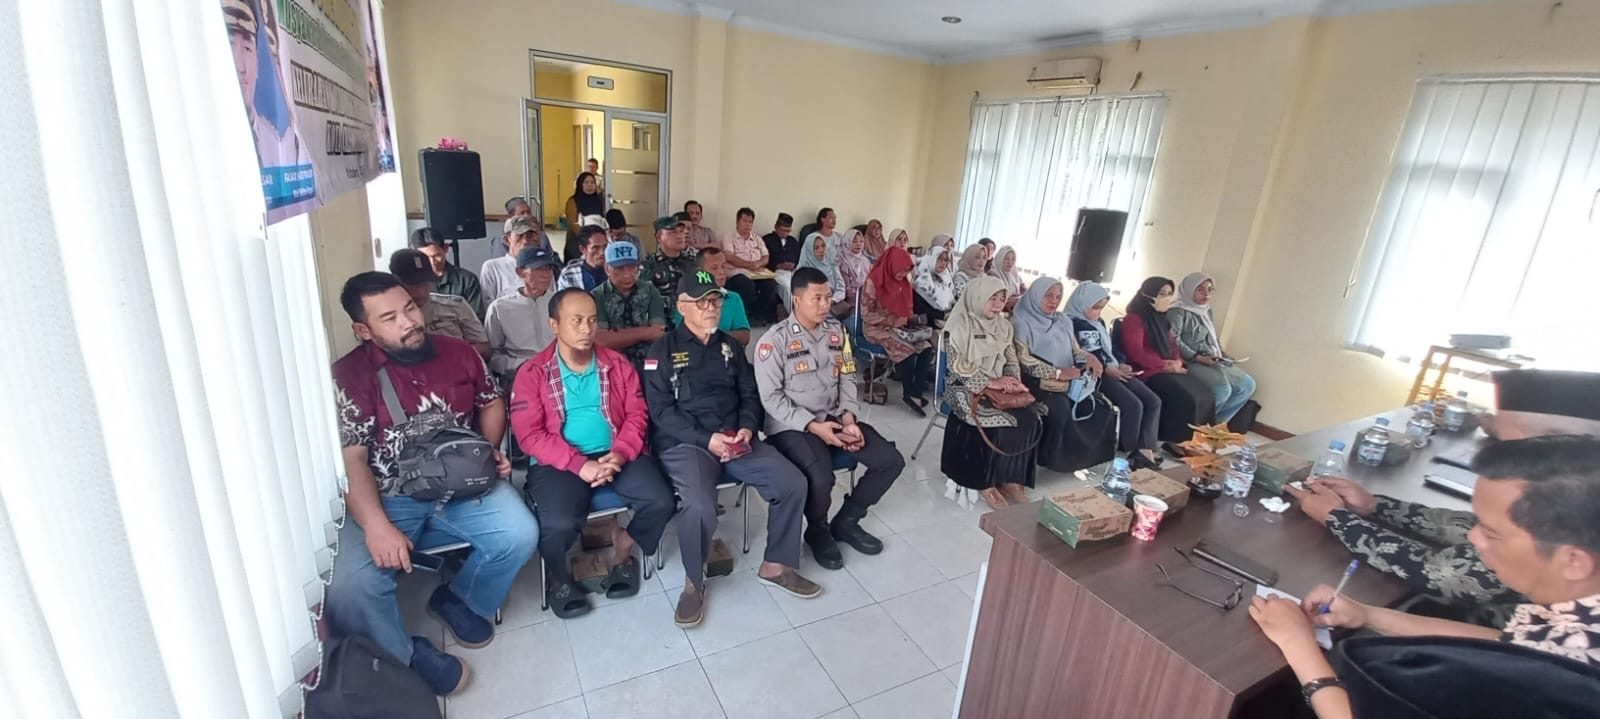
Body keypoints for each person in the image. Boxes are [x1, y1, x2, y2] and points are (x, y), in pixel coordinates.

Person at [1252, 435, 1600, 719]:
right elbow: (1507, 643)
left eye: (1491, 534)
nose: (1473, 538)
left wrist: (1298, 644)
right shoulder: (1579, 620)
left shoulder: (1567, 680)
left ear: (1573, 561)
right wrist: (1369, 615)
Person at [327, 272, 537, 696]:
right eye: (390, 318)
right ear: (363, 330)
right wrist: (377, 526)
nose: (409, 322)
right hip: (390, 495)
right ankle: (403, 654)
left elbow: (491, 401)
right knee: (350, 584)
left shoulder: (458, 352)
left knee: (519, 534)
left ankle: (461, 598)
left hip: (462, 483)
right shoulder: (349, 375)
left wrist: (488, 450)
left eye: (409, 308)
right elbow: (352, 460)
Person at [1293, 369, 1600, 627]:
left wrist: (1338, 519)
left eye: (1506, 443)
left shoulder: (1573, 520)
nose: (1476, 536)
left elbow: (1442, 573)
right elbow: (1472, 525)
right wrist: (1376, 506)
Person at [644, 271, 821, 627]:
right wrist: (707, 439)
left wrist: (746, 428)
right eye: (702, 302)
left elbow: (750, 394)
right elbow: (661, 413)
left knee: (791, 483)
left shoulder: (730, 347)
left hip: (736, 438)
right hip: (688, 443)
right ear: (682, 307)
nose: (712, 307)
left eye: (716, 300)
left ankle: (776, 566)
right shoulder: (660, 351)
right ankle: (694, 582)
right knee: (698, 505)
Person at [509, 288, 675, 619]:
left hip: (615, 451)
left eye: (592, 320)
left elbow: (636, 414)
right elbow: (529, 435)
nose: (587, 329)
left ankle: (624, 547)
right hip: (559, 461)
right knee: (558, 523)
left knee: (661, 500)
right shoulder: (533, 373)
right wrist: (579, 464)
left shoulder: (617, 364)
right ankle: (559, 576)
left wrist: (621, 452)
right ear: (554, 325)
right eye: (576, 321)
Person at [755, 268, 904, 570]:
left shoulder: (837, 333)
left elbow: (847, 375)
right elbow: (771, 399)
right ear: (797, 300)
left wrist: (849, 417)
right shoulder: (773, 342)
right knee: (821, 478)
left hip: (835, 417)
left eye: (828, 297)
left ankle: (847, 521)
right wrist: (813, 426)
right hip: (793, 427)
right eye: (817, 298)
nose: (825, 304)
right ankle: (817, 529)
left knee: (890, 461)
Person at [940, 277, 1047, 510]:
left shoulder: (1004, 326)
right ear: (978, 298)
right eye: (993, 299)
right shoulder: (958, 326)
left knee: (1029, 417)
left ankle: (1011, 478)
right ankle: (984, 482)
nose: (998, 304)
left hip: (998, 386)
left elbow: (1011, 360)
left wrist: (1011, 383)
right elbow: (957, 367)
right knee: (991, 418)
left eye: (1002, 299)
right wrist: (990, 382)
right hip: (963, 386)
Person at [1012, 279, 1126, 474]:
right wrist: (1057, 373)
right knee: (1061, 410)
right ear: (1036, 295)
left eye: (1058, 297)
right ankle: (1052, 460)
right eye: (1048, 295)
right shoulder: (1020, 322)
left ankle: (1082, 459)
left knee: (1100, 405)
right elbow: (1023, 359)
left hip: (1070, 379)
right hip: (1038, 381)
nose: (1054, 301)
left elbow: (1076, 351)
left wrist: (1088, 358)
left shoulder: (1062, 320)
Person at [1067, 282, 1163, 469]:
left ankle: (1146, 449)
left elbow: (1110, 349)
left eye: (1101, 308)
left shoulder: (1099, 323)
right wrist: (1106, 367)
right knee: (1133, 405)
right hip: (1095, 374)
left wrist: (1120, 362)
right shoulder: (1071, 323)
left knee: (1153, 401)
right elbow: (1082, 355)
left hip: (1113, 368)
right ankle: (1130, 451)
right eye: (1095, 307)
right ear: (1082, 302)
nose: (1098, 312)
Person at [1120, 276, 1218, 428]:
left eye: (1170, 294)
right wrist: (1163, 365)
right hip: (1148, 370)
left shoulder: (1161, 318)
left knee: (1205, 395)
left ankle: (1199, 437)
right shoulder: (1134, 319)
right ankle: (1178, 438)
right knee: (1187, 398)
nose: (1167, 298)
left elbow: (1172, 343)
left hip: (1170, 367)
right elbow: (1136, 352)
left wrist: (1177, 361)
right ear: (1148, 294)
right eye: (1162, 294)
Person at [1168, 272, 1257, 423]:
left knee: (1247, 385)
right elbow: (1173, 340)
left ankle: (1215, 426)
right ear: (1189, 289)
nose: (1206, 294)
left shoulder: (1206, 311)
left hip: (1212, 357)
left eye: (1210, 290)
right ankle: (1197, 427)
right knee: (1222, 390)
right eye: (1200, 289)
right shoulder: (1177, 311)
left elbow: (1212, 336)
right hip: (1191, 360)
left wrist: (1222, 352)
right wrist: (1197, 357)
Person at [861, 244, 936, 416]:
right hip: (876, 328)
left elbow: (906, 307)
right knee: (907, 351)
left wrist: (910, 319)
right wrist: (891, 321)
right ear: (892, 265)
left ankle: (916, 393)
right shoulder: (873, 282)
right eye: (901, 270)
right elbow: (866, 314)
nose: (903, 274)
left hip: (900, 326)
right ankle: (908, 393)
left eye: (906, 271)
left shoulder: (902, 282)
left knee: (926, 348)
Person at [389, 249, 489, 358]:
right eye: (413, 285)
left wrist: (453, 354)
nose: (420, 291)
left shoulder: (455, 306)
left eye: (425, 283)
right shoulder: (386, 316)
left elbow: (484, 348)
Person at [484, 246, 560, 377]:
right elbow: (492, 354)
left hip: (558, 368)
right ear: (520, 272)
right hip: (519, 372)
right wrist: (518, 365)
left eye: (549, 268)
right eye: (538, 269)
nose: (546, 275)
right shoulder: (500, 307)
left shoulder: (560, 302)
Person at [591, 241, 666, 372]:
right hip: (612, 366)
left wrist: (618, 336)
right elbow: (601, 340)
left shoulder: (650, 291)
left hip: (649, 362)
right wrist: (645, 332)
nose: (627, 274)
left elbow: (657, 332)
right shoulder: (597, 296)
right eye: (620, 268)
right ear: (607, 268)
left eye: (632, 267)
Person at [721, 207, 778, 325]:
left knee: (771, 284)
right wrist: (749, 265)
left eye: (750, 222)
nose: (747, 224)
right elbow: (729, 256)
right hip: (737, 273)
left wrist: (758, 264)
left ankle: (757, 314)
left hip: (757, 273)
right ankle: (742, 315)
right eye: (744, 221)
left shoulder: (757, 238)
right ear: (737, 222)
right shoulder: (729, 236)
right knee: (746, 285)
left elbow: (766, 256)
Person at [410, 227, 483, 317]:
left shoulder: (467, 280)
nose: (432, 262)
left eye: (436, 256)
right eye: (425, 258)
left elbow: (476, 317)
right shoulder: (411, 281)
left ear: (445, 248)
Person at [643, 215, 698, 321]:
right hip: (662, 320)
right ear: (659, 237)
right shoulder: (649, 264)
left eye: (681, 231)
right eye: (673, 232)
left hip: (692, 318)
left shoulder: (693, 262)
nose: (679, 236)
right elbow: (645, 298)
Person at [481, 216, 540, 307]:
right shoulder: (492, 268)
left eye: (529, 236)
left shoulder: (544, 268)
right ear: (507, 240)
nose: (525, 241)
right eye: (519, 236)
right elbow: (488, 307)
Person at [697, 248, 751, 345]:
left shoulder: (733, 298)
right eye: (714, 268)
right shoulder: (689, 300)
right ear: (700, 272)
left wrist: (711, 337)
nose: (721, 272)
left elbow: (744, 336)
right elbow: (685, 336)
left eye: (723, 266)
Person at [798, 230, 850, 318]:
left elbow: (841, 287)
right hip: (815, 309)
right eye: (816, 248)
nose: (821, 250)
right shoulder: (802, 271)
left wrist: (833, 300)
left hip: (835, 304)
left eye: (823, 246)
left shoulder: (832, 264)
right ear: (809, 250)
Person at [763, 212, 802, 319]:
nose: (785, 233)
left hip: (793, 272)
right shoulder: (767, 240)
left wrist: (794, 266)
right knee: (787, 287)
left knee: (801, 286)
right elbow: (764, 260)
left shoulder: (792, 241)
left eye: (788, 231)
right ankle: (796, 316)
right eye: (783, 230)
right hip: (775, 272)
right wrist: (778, 265)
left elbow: (800, 258)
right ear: (776, 227)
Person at [563, 172, 606, 257]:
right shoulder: (573, 201)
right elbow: (573, 224)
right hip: (577, 242)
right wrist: (587, 239)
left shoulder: (598, 201)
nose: (590, 185)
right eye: (586, 182)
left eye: (592, 182)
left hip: (596, 242)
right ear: (580, 184)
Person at [557, 225, 609, 292]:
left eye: (605, 246)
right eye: (595, 248)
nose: (602, 252)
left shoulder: (615, 269)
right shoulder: (569, 274)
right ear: (582, 249)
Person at [914, 246, 957, 325]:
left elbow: (952, 301)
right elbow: (920, 309)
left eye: (945, 260)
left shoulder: (946, 278)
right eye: (940, 259)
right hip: (928, 323)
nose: (943, 263)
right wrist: (942, 316)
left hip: (947, 320)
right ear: (932, 259)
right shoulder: (922, 280)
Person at [836, 228, 872, 302]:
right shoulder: (841, 260)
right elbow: (842, 285)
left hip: (866, 295)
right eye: (854, 241)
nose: (859, 244)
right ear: (847, 242)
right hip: (849, 297)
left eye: (861, 241)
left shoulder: (865, 260)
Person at [990, 245, 1025, 310]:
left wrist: (1017, 299)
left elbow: (1025, 292)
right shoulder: (993, 275)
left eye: (1013, 259)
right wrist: (1019, 298)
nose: (1010, 262)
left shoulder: (1015, 275)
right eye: (1006, 259)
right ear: (1000, 258)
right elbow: (1000, 302)